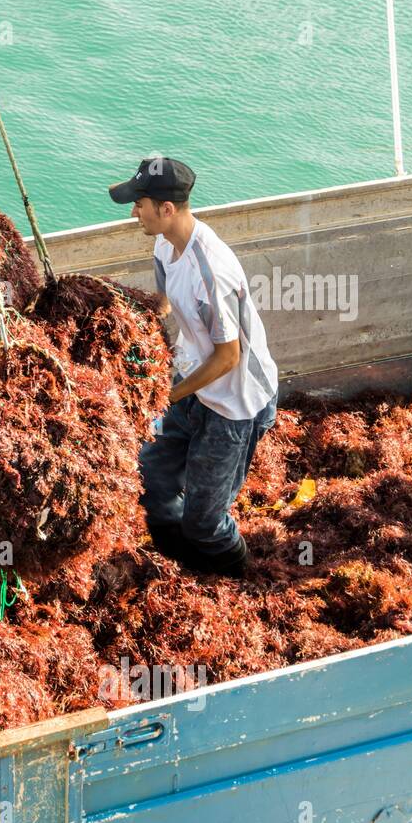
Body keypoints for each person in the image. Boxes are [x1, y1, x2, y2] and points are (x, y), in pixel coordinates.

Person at [108, 157, 279, 577]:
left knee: (204, 523)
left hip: (235, 405)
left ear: (167, 209)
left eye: (139, 204)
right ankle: (180, 560)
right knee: (150, 476)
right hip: (193, 379)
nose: (134, 212)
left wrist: (165, 396)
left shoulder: (211, 272)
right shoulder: (164, 245)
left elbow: (228, 356)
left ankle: (242, 578)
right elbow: (164, 303)